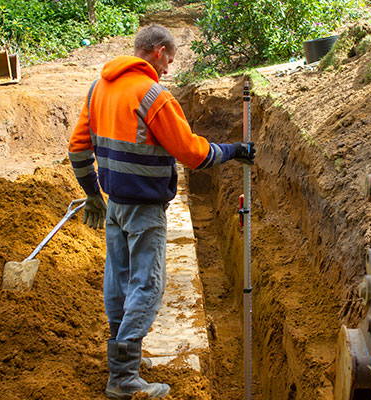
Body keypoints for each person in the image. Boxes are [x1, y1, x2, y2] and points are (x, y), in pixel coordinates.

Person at [68, 24, 255, 400]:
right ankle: (122, 376)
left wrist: (92, 196)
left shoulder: (99, 88)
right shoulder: (154, 96)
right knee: (147, 285)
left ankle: (125, 357)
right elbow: (193, 153)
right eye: (169, 59)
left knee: (118, 281)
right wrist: (234, 150)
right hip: (144, 207)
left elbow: (77, 148)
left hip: (116, 204)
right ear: (157, 52)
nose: (168, 69)